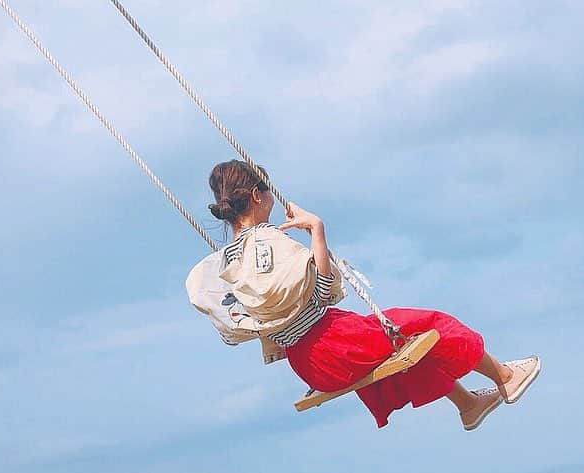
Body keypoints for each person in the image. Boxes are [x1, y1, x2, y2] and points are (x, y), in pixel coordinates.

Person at [186, 159, 540, 430]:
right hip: (335, 344)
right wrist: (316, 230)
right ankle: (505, 378)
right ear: (256, 196)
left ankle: (468, 405)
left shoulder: (226, 262)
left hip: (309, 365)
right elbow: (325, 292)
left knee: (402, 348)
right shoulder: (271, 244)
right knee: (427, 325)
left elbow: (254, 325)